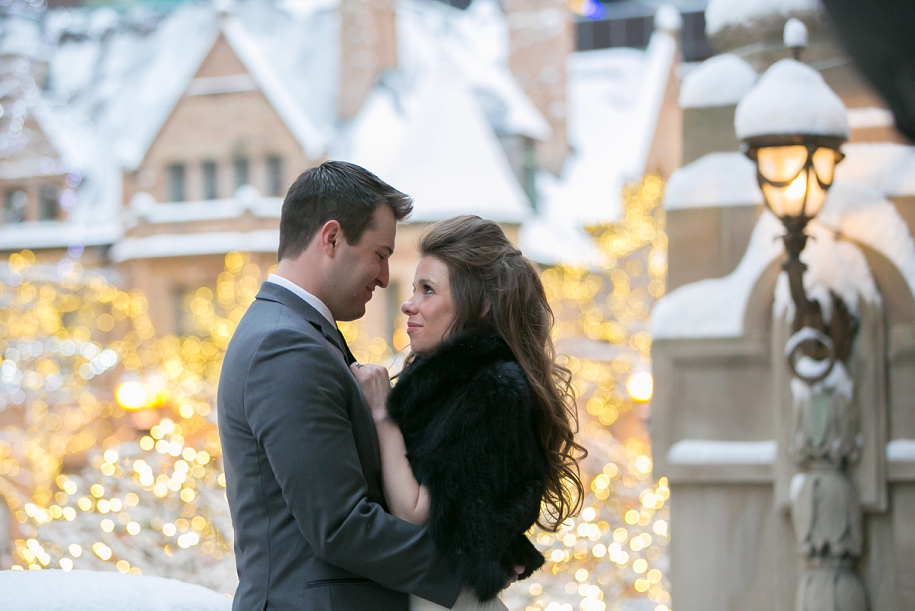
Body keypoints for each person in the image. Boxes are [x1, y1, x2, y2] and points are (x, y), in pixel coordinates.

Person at [217, 161, 462, 611]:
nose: (386, 278)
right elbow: (341, 525)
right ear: (331, 238)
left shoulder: (301, 332)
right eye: (381, 254)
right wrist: (466, 568)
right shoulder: (284, 345)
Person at [351, 216, 586, 611]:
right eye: (413, 289)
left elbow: (414, 513)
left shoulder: (494, 388)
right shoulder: (448, 382)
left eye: (428, 290)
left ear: (482, 305)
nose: (409, 303)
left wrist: (381, 414)